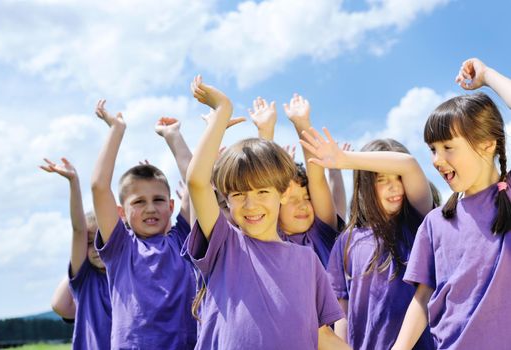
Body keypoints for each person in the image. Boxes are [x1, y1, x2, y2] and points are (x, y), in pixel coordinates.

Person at [184, 75, 350, 349]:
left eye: (262, 192)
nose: (251, 205)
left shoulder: (308, 261)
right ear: (227, 199)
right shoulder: (225, 245)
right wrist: (222, 112)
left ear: (282, 194)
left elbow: (321, 335)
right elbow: (196, 182)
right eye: (238, 195)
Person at [393, 58, 511, 349]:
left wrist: (487, 75)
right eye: (433, 149)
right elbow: (423, 298)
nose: (436, 160)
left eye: (448, 147)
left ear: (487, 144)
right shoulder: (435, 222)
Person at [300, 131, 434, 350]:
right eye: (382, 179)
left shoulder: (420, 225)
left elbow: (409, 164)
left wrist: (345, 160)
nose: (394, 187)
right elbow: (341, 308)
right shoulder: (347, 240)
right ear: (365, 185)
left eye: (398, 178)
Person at [91, 100, 196, 349]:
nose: (150, 208)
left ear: (171, 206)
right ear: (122, 213)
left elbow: (196, 181)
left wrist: (173, 136)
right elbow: (98, 187)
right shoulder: (120, 247)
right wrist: (116, 130)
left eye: (158, 199)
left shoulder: (182, 238)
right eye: (139, 201)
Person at [248, 93, 346, 267]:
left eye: (307, 198)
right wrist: (265, 131)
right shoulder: (269, 236)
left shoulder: (321, 233)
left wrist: (302, 124)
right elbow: (262, 183)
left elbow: (317, 178)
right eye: (292, 199)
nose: (302, 205)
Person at [40, 158, 111, 350]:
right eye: (89, 242)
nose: (97, 247)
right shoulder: (85, 279)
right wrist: (74, 182)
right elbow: (79, 229)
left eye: (102, 240)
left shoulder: (128, 273)